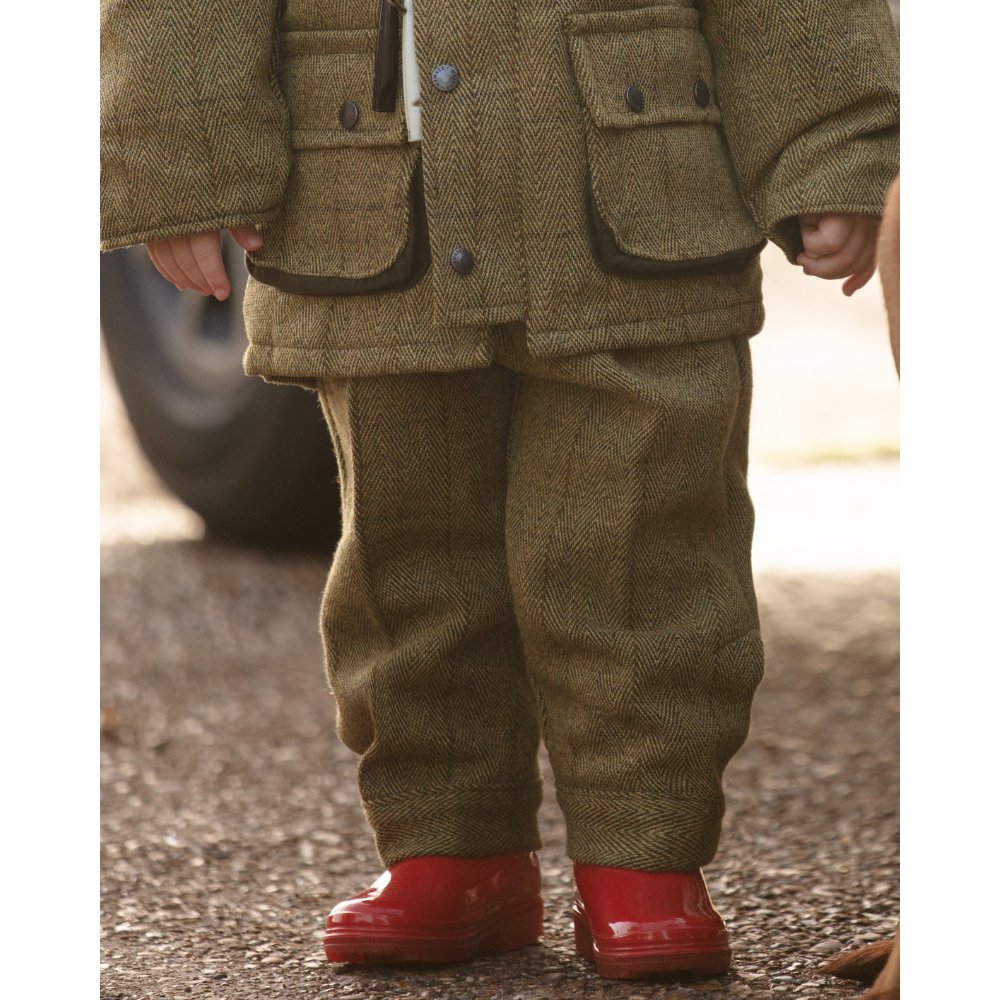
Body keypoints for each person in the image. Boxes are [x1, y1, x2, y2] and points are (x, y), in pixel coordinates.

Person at [100, 0, 899, 980]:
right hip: (373, 207)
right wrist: (181, 159)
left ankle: (643, 855)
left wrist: (836, 151)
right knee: (408, 558)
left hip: (631, 212)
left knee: (645, 550)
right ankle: (451, 847)